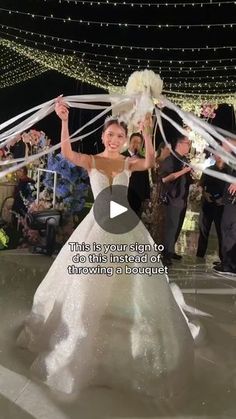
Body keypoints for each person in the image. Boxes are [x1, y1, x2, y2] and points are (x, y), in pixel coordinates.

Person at [17, 99, 194, 404]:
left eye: (119, 136)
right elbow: (67, 153)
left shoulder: (128, 162)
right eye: (110, 135)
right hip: (97, 226)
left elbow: (150, 162)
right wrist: (63, 120)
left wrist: (148, 131)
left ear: (125, 140)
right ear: (103, 136)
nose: (114, 139)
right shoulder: (93, 160)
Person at [159, 135, 192, 264]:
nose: (189, 146)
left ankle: (171, 251)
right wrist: (183, 172)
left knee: (177, 226)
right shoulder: (170, 160)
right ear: (179, 144)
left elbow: (186, 179)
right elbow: (165, 179)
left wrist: (191, 176)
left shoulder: (185, 160)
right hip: (172, 198)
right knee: (171, 227)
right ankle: (166, 255)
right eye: (187, 144)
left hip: (182, 199)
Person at [196, 154, 227, 261]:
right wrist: (204, 194)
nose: (219, 156)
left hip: (222, 206)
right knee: (203, 231)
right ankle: (199, 256)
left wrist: (223, 200)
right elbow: (200, 185)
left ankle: (223, 260)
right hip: (207, 204)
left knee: (221, 233)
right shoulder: (209, 170)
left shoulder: (230, 171)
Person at [213, 139, 236, 275]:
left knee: (229, 230)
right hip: (230, 200)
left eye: (223, 144)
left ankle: (228, 265)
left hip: (233, 202)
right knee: (229, 230)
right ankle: (228, 261)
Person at [122, 132, 150, 216]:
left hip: (138, 197)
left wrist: (146, 197)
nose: (136, 144)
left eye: (139, 143)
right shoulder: (121, 157)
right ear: (129, 142)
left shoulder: (143, 159)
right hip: (124, 195)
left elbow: (146, 179)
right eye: (134, 141)